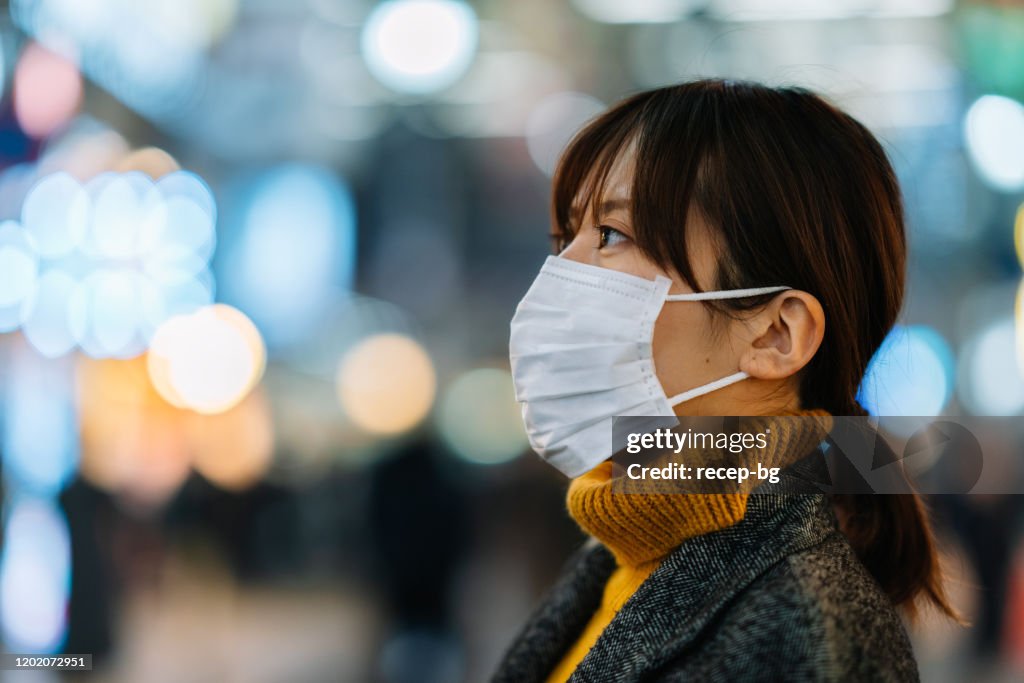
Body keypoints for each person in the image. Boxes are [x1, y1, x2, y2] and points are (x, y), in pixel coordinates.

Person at [494, 79, 958, 682]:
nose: (560, 273)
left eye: (612, 235)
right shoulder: (616, 558)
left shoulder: (806, 639)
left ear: (774, 336)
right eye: (566, 237)